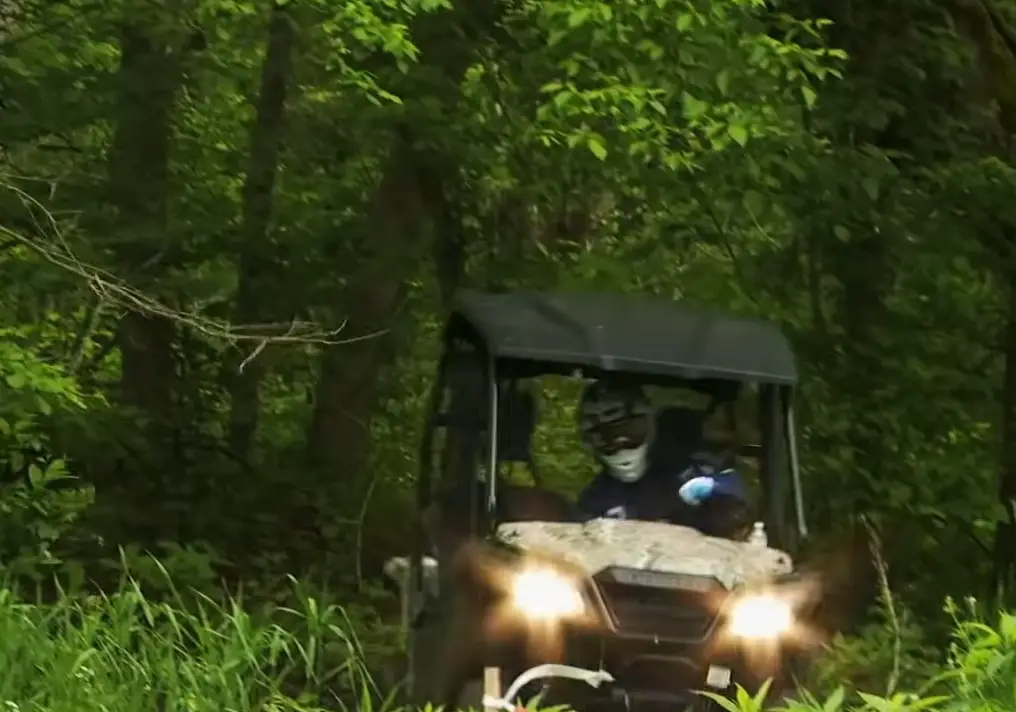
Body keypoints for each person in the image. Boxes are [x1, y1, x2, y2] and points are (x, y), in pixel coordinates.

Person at [573, 380, 751, 538]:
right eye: (603, 437)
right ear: (589, 442)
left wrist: (722, 508)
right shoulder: (595, 500)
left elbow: (735, 509)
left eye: (629, 430)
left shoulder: (693, 473)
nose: (620, 443)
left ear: (650, 423)